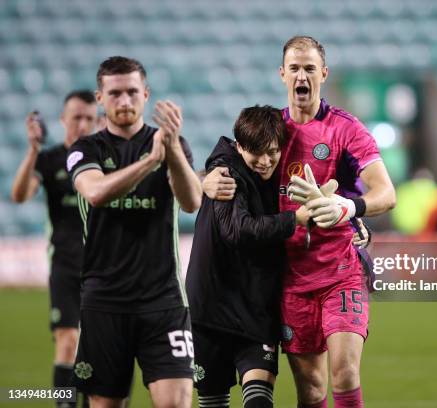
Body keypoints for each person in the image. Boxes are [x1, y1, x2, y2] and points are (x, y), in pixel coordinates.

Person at [204, 36, 396, 408]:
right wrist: (203, 180)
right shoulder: (271, 132)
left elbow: (386, 193)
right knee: (310, 389)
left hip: (341, 270)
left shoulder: (345, 129)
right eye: (294, 68)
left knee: (345, 372)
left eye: (310, 68)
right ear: (282, 75)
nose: (302, 75)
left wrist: (349, 208)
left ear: (323, 74)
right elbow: (225, 158)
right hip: (290, 279)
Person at [67, 56, 202, 408]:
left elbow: (191, 201)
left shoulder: (173, 145)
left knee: (176, 403)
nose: (124, 101)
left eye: (131, 92)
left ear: (146, 94)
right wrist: (148, 163)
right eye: (114, 94)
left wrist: (170, 149)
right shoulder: (86, 149)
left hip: (164, 300)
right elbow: (96, 193)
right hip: (105, 301)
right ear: (100, 98)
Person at [186, 105, 311, 408]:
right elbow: (237, 231)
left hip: (257, 308)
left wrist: (358, 225)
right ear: (239, 146)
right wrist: (295, 220)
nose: (265, 161)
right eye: (256, 153)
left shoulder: (284, 171)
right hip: (211, 305)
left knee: (258, 403)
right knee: (213, 402)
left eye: (272, 152)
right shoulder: (225, 172)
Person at [11, 90, 97, 408]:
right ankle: (64, 404)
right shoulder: (49, 160)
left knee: (103, 348)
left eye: (89, 117)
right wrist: (33, 149)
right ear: (63, 119)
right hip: (64, 265)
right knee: (68, 341)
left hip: (106, 268)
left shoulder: (105, 158)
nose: (83, 124)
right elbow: (20, 195)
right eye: (77, 117)